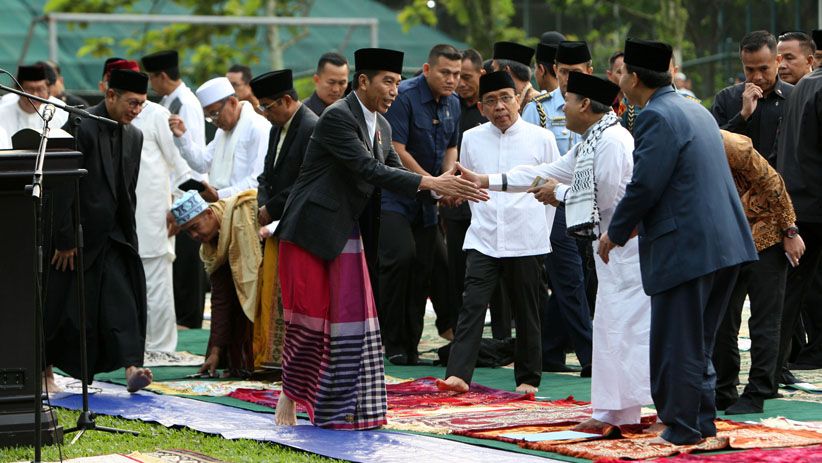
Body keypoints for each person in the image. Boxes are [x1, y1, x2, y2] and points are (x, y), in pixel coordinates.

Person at [272, 47, 487, 429]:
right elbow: (369, 168)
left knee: (353, 319)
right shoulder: (338, 117)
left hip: (348, 233)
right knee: (309, 321)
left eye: (398, 83)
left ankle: (348, 407)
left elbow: (390, 168)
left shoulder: (382, 127)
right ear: (364, 82)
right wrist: (432, 181)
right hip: (309, 231)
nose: (394, 90)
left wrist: (443, 187)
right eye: (387, 82)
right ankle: (288, 399)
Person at [600, 38, 757, 445]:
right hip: (725, 244)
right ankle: (701, 422)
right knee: (698, 343)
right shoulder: (693, 107)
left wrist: (614, 233)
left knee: (678, 344)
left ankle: (683, 427)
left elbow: (645, 184)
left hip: (687, 247)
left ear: (633, 77)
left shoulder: (656, 116)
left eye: (621, 72)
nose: (618, 78)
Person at [437, 71, 558, 394]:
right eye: (491, 101)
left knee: (527, 310)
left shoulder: (541, 138)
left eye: (506, 97)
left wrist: (539, 229)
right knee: (472, 305)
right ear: (481, 107)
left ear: (518, 99)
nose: (500, 106)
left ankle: (528, 379)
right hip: (484, 235)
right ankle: (458, 375)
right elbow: (467, 182)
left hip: (527, 237)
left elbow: (552, 187)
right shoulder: (472, 137)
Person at [44, 69, 155, 393]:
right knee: (60, 306)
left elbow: (127, 190)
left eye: (141, 105)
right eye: (132, 103)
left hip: (114, 235)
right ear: (110, 96)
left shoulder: (134, 135)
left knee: (123, 300)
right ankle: (44, 372)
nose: (136, 111)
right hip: (74, 237)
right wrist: (64, 238)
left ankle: (132, 367)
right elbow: (62, 185)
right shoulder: (80, 124)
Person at [100, 59, 191, 354]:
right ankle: (130, 348)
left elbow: (181, 167)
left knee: (156, 283)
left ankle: (161, 348)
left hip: (155, 216)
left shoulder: (158, 116)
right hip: (121, 218)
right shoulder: (104, 118)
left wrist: (178, 207)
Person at [379, 44, 462, 364]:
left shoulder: (453, 103)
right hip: (395, 197)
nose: (452, 79)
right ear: (427, 70)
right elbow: (397, 149)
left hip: (428, 200)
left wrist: (446, 180)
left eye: (456, 74)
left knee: (423, 268)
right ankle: (390, 339)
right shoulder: (405, 96)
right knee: (400, 258)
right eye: (445, 72)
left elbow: (451, 148)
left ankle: (409, 347)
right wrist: (434, 182)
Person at [712, 130, 804, 415]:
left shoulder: (732, 145)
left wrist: (790, 230)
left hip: (767, 238)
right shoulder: (683, 151)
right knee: (722, 319)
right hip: (726, 241)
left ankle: (758, 391)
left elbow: (773, 183)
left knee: (765, 319)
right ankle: (724, 389)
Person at [524, 40, 595, 375]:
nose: (567, 79)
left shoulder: (601, 107)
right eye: (563, 72)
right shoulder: (538, 108)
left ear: (589, 71)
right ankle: (591, 356)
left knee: (580, 278)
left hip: (592, 202)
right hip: (554, 205)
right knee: (569, 278)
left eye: (576, 72)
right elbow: (530, 164)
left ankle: (549, 350)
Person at [249, 69, 318, 369]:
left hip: (301, 223)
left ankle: (298, 360)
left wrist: (273, 208)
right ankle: (275, 357)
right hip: (275, 223)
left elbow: (307, 178)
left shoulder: (312, 126)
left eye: (266, 106)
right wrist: (264, 204)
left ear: (286, 100)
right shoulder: (277, 126)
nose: (263, 113)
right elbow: (267, 173)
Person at [141, 49, 209, 331]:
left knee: (188, 260)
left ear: (162, 76)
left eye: (151, 78)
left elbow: (187, 157)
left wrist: (181, 202)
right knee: (180, 260)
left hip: (187, 192)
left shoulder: (185, 103)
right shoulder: (171, 100)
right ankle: (182, 316)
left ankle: (189, 319)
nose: (151, 85)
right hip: (176, 192)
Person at [172, 190, 261, 378]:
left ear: (209, 214)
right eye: (188, 231)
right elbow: (221, 297)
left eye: (195, 227)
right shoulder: (212, 247)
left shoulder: (243, 214)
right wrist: (215, 352)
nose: (194, 235)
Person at [776, 60, 822, 375]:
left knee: (792, 289)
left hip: (799, 200)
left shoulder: (805, 85)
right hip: (814, 202)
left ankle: (776, 364)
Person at [169, 77, 270, 202]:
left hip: (248, 209)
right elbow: (202, 163)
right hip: (221, 208)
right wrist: (182, 137)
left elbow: (257, 180)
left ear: (232, 102)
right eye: (209, 117)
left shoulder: (258, 127)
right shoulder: (222, 132)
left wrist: (220, 195)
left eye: (215, 114)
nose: (214, 122)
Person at [712, 31, 792, 167]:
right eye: (749, 70)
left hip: (783, 184)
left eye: (763, 69)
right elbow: (714, 146)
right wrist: (743, 116)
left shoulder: (793, 97)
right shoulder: (726, 99)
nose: (757, 77)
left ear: (778, 61)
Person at [0, 64, 69, 139]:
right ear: (18, 90)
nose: (35, 94)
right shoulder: (2, 114)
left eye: (40, 89)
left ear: (48, 92)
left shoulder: (55, 118)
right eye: (30, 89)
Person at [491, 41, 539, 112]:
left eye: (494, 69)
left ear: (506, 71)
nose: (492, 76)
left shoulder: (535, 104)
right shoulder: (514, 99)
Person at [304, 52, 350, 116]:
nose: (336, 89)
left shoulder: (354, 111)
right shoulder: (303, 114)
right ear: (316, 79)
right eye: (331, 82)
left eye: (342, 83)